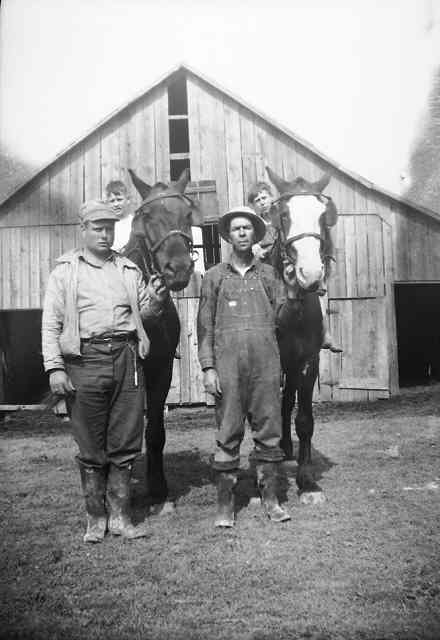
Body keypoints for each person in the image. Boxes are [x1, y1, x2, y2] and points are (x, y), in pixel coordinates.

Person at [41, 200, 168, 543]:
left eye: (109, 228)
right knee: (90, 442)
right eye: (97, 228)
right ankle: (95, 519)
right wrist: (55, 368)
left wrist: (154, 300)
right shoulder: (65, 271)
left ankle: (121, 518)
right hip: (85, 360)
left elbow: (145, 315)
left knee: (126, 439)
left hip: (127, 358)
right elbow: (50, 325)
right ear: (83, 230)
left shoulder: (128, 270)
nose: (104, 234)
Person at [197, 206, 291, 527]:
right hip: (228, 369)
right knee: (227, 433)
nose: (241, 233)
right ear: (227, 235)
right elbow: (205, 328)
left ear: (254, 235)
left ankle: (272, 499)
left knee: (269, 432)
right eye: (235, 228)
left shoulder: (270, 276)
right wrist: (209, 368)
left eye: (247, 228)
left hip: (266, 367)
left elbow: (284, 320)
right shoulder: (213, 277)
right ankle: (225, 505)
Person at [248, 182, 341, 353]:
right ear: (253, 206)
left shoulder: (286, 217)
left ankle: (325, 331)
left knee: (316, 289)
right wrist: (256, 248)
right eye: (257, 200)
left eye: (264, 197)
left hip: (288, 263)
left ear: (272, 198)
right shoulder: (257, 225)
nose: (261, 202)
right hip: (268, 266)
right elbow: (253, 245)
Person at [104, 180, 134, 252]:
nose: (116, 204)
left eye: (119, 200)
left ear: (128, 200)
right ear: (107, 203)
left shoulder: (134, 224)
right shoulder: (106, 226)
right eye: (112, 201)